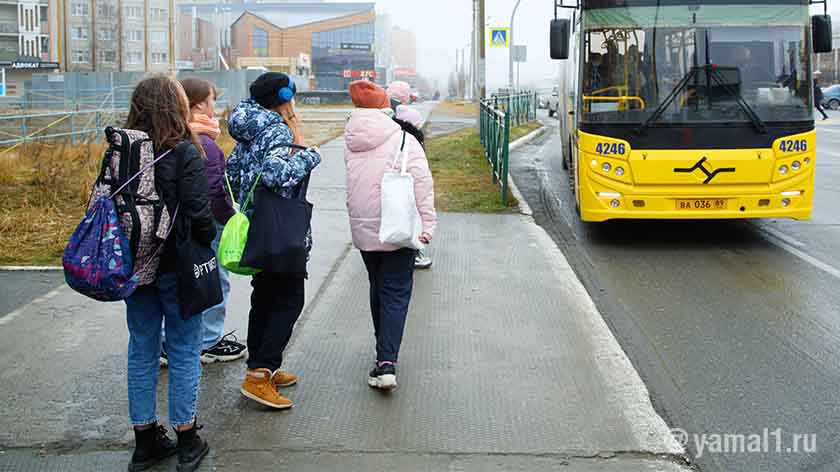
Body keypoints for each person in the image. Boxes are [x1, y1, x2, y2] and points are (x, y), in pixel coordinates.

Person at [123, 75, 213, 472]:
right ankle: (187, 438)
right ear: (175, 106)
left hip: (134, 266)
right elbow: (200, 217)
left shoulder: (122, 149)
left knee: (141, 348)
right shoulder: (183, 152)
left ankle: (145, 442)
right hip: (176, 268)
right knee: (182, 348)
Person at [226, 73, 322, 410]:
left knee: (265, 295)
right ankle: (259, 374)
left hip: (257, 224)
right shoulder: (278, 129)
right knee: (289, 299)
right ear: (283, 96)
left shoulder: (248, 129)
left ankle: (265, 364)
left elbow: (232, 171)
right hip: (281, 226)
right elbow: (275, 174)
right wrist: (310, 156)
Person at [344, 80, 437, 390]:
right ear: (385, 107)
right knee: (395, 292)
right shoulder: (404, 139)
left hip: (364, 228)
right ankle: (386, 363)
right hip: (398, 227)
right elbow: (422, 184)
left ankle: (381, 348)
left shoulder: (350, 138)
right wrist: (428, 225)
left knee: (378, 286)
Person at [161, 77, 245, 365]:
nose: (214, 107)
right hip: (204, 225)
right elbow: (212, 190)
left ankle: (168, 341)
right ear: (198, 104)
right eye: (212, 100)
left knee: (178, 282)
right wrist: (229, 217)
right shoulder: (204, 144)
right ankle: (209, 340)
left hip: (175, 225)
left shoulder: (171, 136)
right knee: (212, 281)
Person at [386, 80, 433, 270]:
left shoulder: (381, 113)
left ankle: (389, 244)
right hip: (409, 165)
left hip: (386, 166)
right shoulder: (411, 114)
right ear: (406, 96)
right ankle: (415, 251)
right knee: (413, 208)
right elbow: (419, 139)